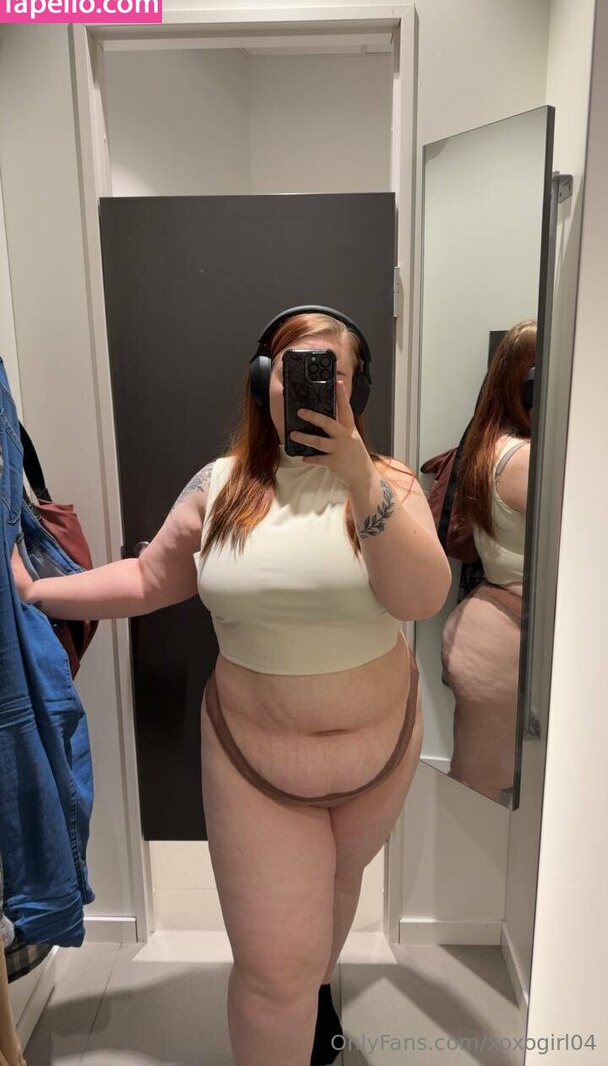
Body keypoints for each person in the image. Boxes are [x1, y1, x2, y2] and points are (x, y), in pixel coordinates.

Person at [12, 310, 451, 1066]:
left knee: (335, 893)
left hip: (380, 758)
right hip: (256, 763)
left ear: (357, 389)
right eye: (293, 367)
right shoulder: (218, 487)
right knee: (274, 971)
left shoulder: (390, 484)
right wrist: (37, 591)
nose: (309, 385)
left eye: (331, 372)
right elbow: (148, 579)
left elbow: (421, 598)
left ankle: (318, 1001)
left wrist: (355, 474)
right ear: (262, 380)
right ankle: (298, 1003)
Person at [440, 319, 535, 802]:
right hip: (505, 640)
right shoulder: (526, 458)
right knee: (486, 795)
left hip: (490, 627)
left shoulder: (491, 445)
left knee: (480, 789)